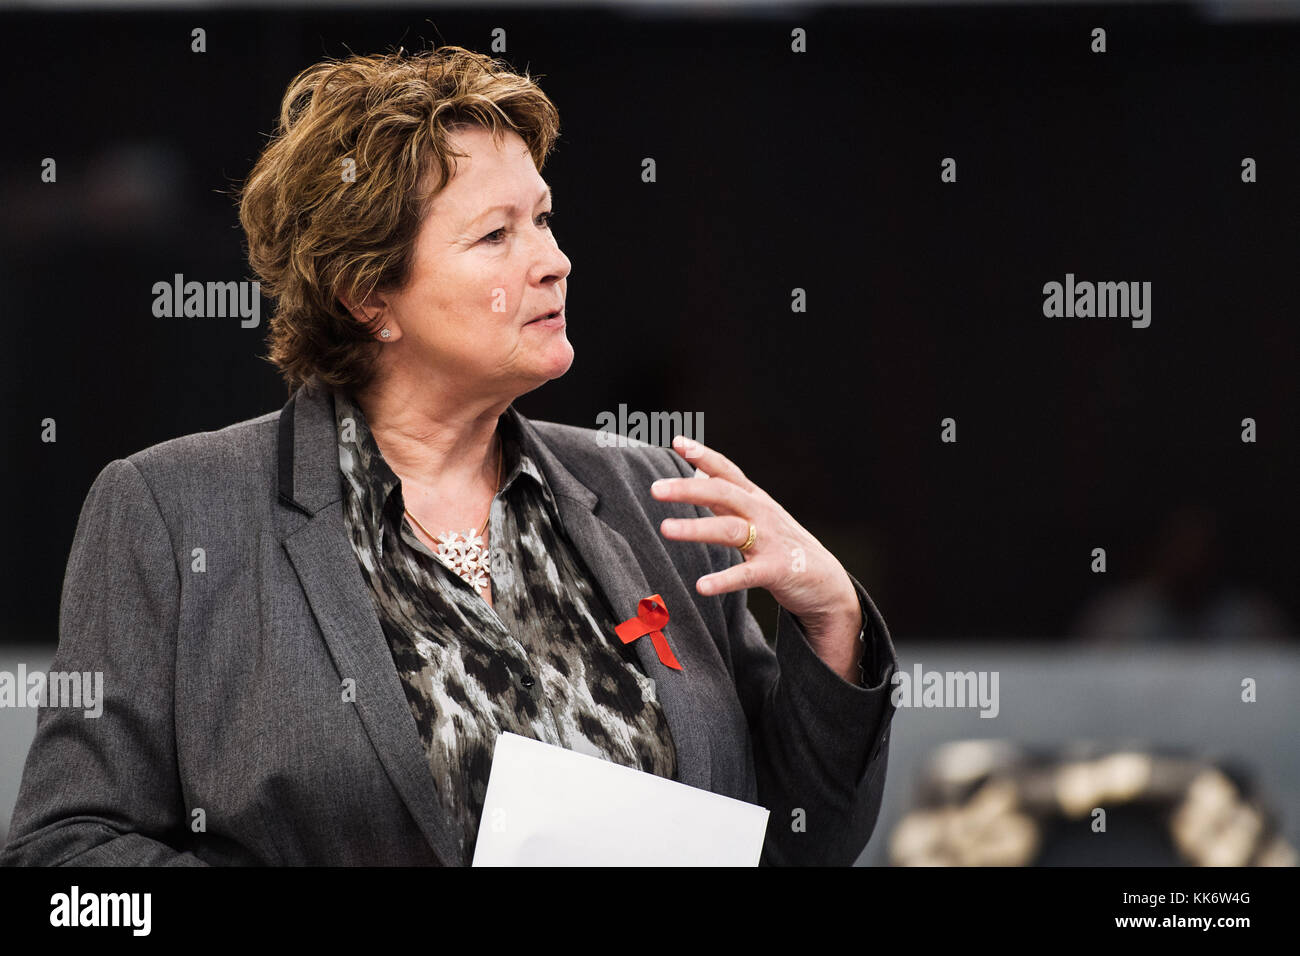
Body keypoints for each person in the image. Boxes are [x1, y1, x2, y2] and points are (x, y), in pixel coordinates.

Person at [1, 45, 896, 867]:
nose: (556, 261)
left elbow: (792, 847)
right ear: (368, 295)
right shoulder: (172, 512)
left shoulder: (649, 495)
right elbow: (67, 865)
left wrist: (830, 623)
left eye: (544, 219)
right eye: (496, 235)